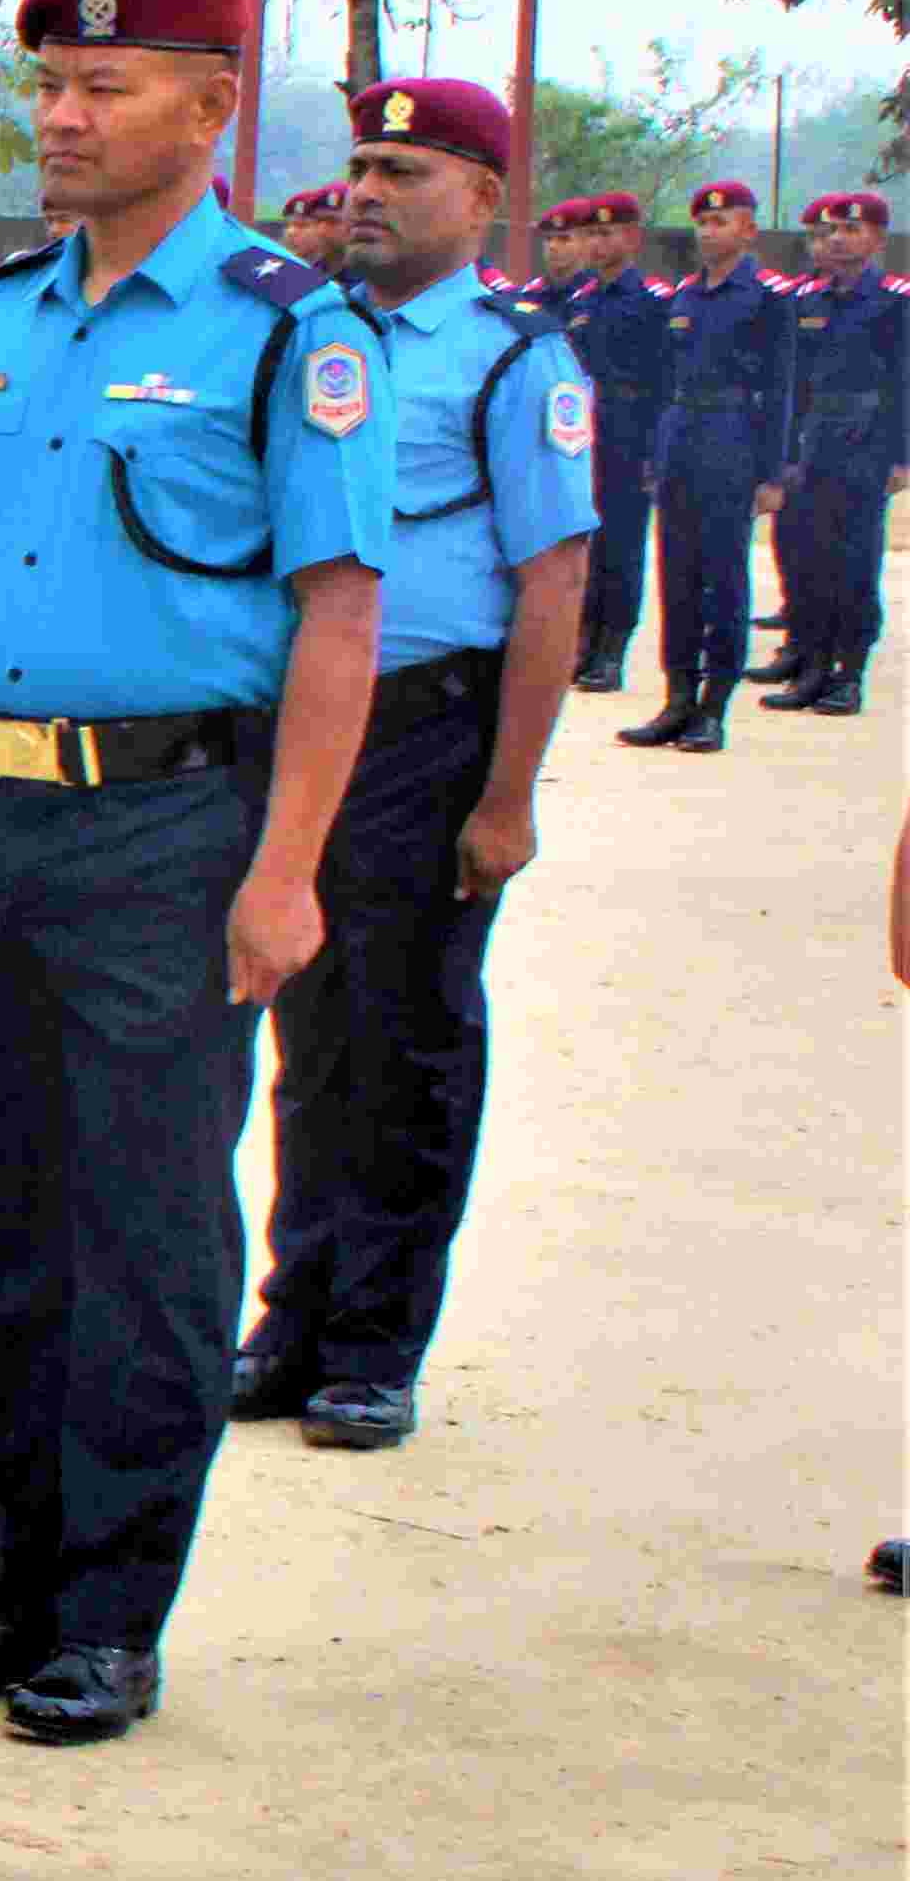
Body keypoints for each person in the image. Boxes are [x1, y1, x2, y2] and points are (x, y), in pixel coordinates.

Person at [0, 0, 391, 1746]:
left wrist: (287, 868)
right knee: (8, 1217)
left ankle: (109, 1615)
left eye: (107, 87)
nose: (64, 118)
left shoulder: (283, 330)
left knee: (148, 1233)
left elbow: (338, 614)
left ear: (213, 107)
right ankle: (8, 1586)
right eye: (50, 87)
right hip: (1, 817)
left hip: (173, 824)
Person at [231, 77, 593, 1451]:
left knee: (411, 1044)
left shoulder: (516, 361)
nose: (368, 194)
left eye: (405, 172)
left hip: (431, 733)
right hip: (306, 731)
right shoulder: (309, 338)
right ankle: (295, 1315)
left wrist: (506, 797)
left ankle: (376, 1345)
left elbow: (552, 583)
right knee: (309, 1034)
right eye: (363, 168)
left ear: (483, 198)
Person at [622, 179, 794, 752]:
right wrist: (654, 454)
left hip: (732, 442)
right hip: (680, 442)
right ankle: (677, 698)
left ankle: (714, 707)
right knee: (677, 578)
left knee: (724, 580)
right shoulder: (685, 295)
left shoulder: (768, 297)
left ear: (749, 230)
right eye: (702, 222)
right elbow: (663, 382)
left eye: (721, 222)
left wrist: (771, 473)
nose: (708, 232)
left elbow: (782, 389)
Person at [758, 191, 892, 714]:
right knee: (811, 560)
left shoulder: (895, 300)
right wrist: (785, 452)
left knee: (855, 563)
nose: (838, 239)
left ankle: (849, 675)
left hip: (865, 443)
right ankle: (812, 668)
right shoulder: (808, 300)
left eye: (852, 230)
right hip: (813, 444)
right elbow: (793, 384)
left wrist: (901, 457)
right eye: (833, 230)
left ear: (877, 240)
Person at [569, 193, 680, 691]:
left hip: (632, 432)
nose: (598, 243)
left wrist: (656, 450)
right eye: (592, 233)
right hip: (585, 432)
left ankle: (613, 650)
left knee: (623, 544)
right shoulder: (582, 300)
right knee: (585, 542)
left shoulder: (655, 300)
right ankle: (583, 643)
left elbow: (667, 380)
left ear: (633, 239)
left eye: (608, 233)